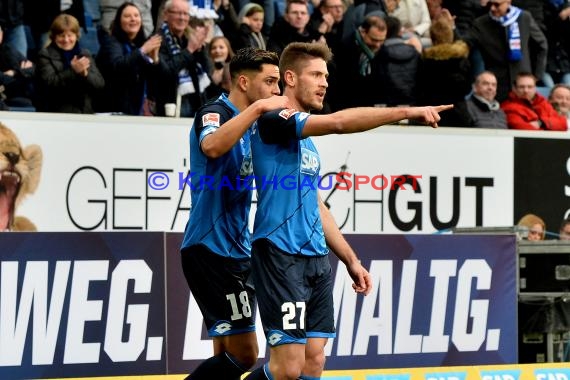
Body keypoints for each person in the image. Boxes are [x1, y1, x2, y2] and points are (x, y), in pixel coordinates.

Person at [244, 42, 452, 380]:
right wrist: (408, 111)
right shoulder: (272, 119)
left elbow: (316, 205)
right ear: (290, 78)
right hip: (280, 252)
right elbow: (340, 123)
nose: (324, 82)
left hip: (315, 257)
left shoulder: (306, 143)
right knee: (287, 367)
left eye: (326, 75)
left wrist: (350, 259)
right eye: (316, 74)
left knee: (314, 362)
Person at [179, 47, 292, 380]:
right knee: (246, 354)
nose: (276, 90)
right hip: (210, 247)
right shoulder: (214, 112)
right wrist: (257, 109)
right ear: (243, 81)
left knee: (226, 354)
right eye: (270, 82)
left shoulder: (258, 127)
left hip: (238, 250)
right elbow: (211, 146)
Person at [464, 0, 547, 102]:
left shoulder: (524, 17)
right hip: (497, 84)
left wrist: (536, 75)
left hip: (522, 83)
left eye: (497, 5)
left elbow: (541, 44)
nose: (492, 8)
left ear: (508, 2)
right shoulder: (481, 23)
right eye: (490, 4)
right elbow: (464, 44)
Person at [95, 2, 162, 115]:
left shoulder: (138, 46)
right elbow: (117, 66)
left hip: (134, 111)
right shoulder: (111, 43)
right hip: (112, 111)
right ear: (118, 21)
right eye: (127, 16)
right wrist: (143, 51)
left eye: (136, 15)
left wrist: (154, 59)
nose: (133, 19)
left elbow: (155, 80)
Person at [151, 0, 210, 117]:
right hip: (170, 103)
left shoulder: (190, 36)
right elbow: (166, 72)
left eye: (185, 13)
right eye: (177, 13)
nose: (182, 18)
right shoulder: (157, 39)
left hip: (196, 98)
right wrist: (189, 50)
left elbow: (207, 70)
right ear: (166, 15)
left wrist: (200, 49)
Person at [35, 13, 104, 113]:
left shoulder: (84, 53)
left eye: (70, 35)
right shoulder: (44, 55)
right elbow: (48, 85)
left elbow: (99, 84)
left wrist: (85, 74)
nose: (66, 40)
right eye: (61, 35)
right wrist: (73, 71)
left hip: (84, 113)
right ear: (54, 37)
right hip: (54, 114)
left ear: (77, 36)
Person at [501, 72, 568, 131]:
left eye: (530, 87)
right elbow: (522, 129)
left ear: (535, 88)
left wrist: (541, 123)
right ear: (514, 88)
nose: (526, 90)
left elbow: (563, 124)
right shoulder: (508, 107)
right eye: (521, 87)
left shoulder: (543, 103)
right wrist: (550, 127)